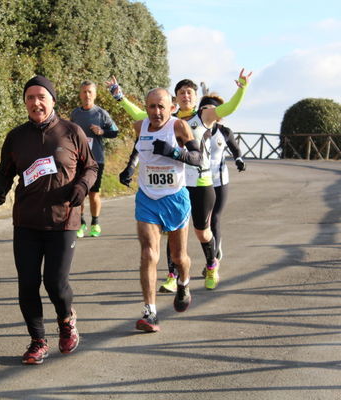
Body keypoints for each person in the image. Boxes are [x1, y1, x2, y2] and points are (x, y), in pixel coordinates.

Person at [107, 69, 251, 291]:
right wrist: (119, 97)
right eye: (182, 92)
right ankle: (172, 276)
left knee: (202, 232)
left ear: (195, 97)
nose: (186, 96)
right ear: (175, 100)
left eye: (190, 92)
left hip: (201, 183)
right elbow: (138, 115)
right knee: (171, 230)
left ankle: (212, 264)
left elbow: (228, 108)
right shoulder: (165, 119)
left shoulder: (204, 116)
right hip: (176, 185)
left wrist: (242, 88)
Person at [0, 75, 98, 364]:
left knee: (55, 282)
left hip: (63, 219)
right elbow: (6, 170)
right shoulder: (16, 136)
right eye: (30, 98)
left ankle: (66, 320)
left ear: (53, 100)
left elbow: (91, 167)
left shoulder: (71, 131)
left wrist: (82, 186)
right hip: (26, 220)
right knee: (27, 283)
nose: (36, 102)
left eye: (41, 97)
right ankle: (37, 340)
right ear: (24, 102)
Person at [118, 87, 203, 332]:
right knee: (149, 253)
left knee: (178, 257)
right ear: (146, 107)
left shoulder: (178, 127)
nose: (157, 112)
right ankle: (150, 312)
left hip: (175, 198)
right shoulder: (140, 126)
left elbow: (198, 159)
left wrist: (173, 151)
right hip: (147, 198)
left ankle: (184, 283)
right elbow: (138, 149)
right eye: (152, 107)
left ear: (171, 107)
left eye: (161, 106)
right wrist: (129, 168)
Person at [70, 80, 119, 238]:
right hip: (79, 160)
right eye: (84, 92)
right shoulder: (75, 114)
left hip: (96, 159)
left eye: (90, 92)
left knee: (94, 193)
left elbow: (115, 132)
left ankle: (95, 223)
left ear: (95, 94)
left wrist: (102, 132)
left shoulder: (101, 113)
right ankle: (81, 222)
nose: (87, 95)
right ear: (80, 94)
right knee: (79, 192)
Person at [202, 94, 247, 261]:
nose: (207, 112)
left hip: (219, 181)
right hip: (199, 182)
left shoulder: (224, 131)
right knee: (201, 222)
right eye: (204, 108)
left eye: (211, 109)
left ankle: (214, 253)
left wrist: (239, 160)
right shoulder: (195, 129)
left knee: (214, 217)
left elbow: (235, 149)